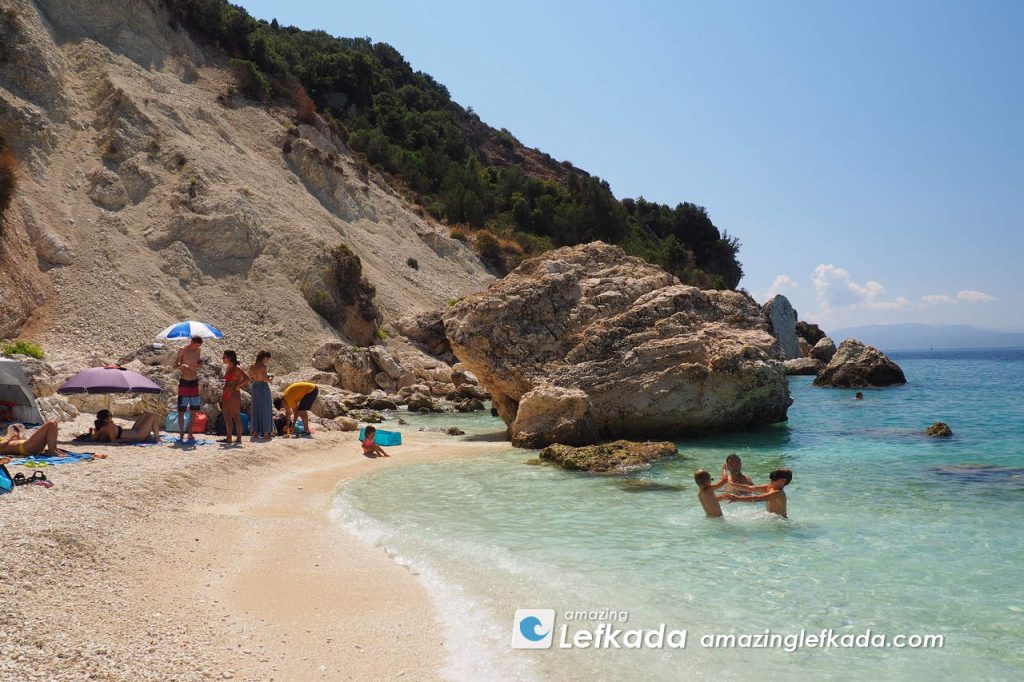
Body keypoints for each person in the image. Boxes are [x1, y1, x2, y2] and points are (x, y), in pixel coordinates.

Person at [722, 468, 793, 518]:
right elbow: (751, 488)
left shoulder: (778, 493)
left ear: (783, 481)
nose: (771, 480)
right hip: (772, 518)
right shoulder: (769, 487)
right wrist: (733, 485)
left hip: (780, 522)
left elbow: (758, 498)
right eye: (771, 477)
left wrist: (738, 498)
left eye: (774, 478)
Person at [174, 336, 204, 442]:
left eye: (199, 346)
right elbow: (175, 365)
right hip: (184, 381)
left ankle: (190, 433)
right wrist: (182, 365)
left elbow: (197, 365)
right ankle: (182, 433)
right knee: (181, 409)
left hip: (194, 381)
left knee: (194, 409)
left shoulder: (198, 351)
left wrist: (199, 365)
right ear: (192, 342)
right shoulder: (182, 350)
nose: (197, 348)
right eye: (196, 345)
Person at [221, 350, 249, 446]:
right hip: (226, 393)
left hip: (233, 394)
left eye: (224, 357)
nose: (222, 358)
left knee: (236, 416)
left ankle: (239, 438)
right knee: (227, 416)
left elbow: (247, 378)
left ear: (229, 357)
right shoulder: (229, 367)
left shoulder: (237, 368)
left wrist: (239, 386)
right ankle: (229, 437)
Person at [248, 350, 274, 441]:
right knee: (265, 408)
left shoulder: (252, 366)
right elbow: (264, 379)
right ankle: (266, 433)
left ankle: (255, 432)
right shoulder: (264, 366)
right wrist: (270, 379)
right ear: (264, 357)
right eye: (267, 358)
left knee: (256, 408)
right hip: (263, 387)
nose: (267, 360)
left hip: (255, 387)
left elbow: (250, 377)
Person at [90, 410, 160, 443]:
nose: (111, 418)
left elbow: (93, 439)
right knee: (154, 416)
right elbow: (113, 441)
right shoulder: (109, 426)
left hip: (133, 431)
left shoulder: (100, 427)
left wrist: (91, 433)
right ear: (106, 419)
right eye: (110, 417)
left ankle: (152, 436)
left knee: (146, 413)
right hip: (137, 436)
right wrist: (127, 440)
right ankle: (157, 439)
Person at [0, 421, 64, 458]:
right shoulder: (4, 440)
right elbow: (2, 444)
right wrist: (10, 435)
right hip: (26, 447)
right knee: (51, 423)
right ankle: (52, 451)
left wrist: (15, 434)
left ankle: (54, 449)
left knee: (54, 422)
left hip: (27, 446)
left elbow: (13, 441)